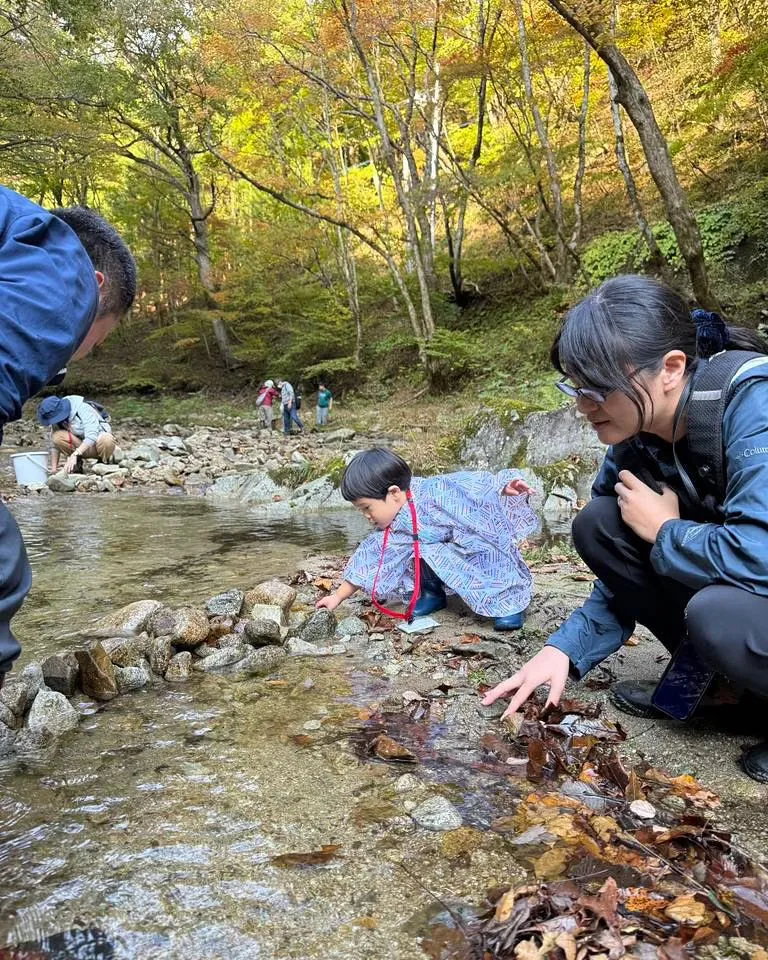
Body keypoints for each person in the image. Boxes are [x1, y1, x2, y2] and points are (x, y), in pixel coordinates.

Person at [481, 274, 768, 782]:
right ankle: (717, 690)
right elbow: (617, 573)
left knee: (717, 613)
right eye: (574, 387)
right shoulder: (634, 440)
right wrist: (563, 652)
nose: (582, 407)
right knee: (600, 524)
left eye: (596, 390)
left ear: (671, 369)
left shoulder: (754, 403)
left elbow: (760, 555)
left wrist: (668, 532)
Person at [0, 186, 136, 686]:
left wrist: (66, 469)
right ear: (95, 286)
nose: (86, 350)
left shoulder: (17, 239)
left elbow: (87, 439)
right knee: (3, 567)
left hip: (100, 444)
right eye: (103, 336)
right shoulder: (61, 272)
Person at [316, 448, 536, 630]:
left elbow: (473, 485)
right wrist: (336, 597)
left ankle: (508, 603)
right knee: (414, 548)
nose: (366, 516)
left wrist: (502, 486)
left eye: (367, 508)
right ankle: (431, 593)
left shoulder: (434, 491)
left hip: (473, 546)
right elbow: (369, 560)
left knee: (487, 555)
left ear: (394, 493)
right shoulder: (394, 527)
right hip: (440, 555)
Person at [37, 395, 116, 473]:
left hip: (97, 445)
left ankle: (103, 463)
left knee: (107, 439)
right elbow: (54, 446)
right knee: (57, 436)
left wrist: (75, 454)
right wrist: (54, 469)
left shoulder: (82, 408)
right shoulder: (56, 420)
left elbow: (92, 435)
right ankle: (77, 463)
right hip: (79, 447)